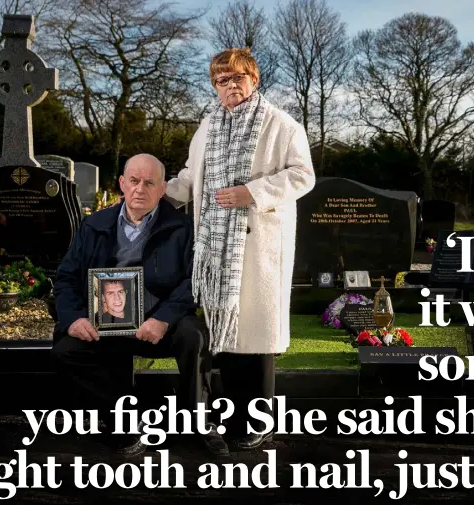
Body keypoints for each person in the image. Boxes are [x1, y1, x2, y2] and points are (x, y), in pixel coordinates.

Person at [165, 48, 316, 451]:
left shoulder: (282, 125)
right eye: (221, 80)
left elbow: (303, 176)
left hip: (260, 246)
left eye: (236, 78)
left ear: (254, 79)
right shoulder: (207, 127)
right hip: (216, 252)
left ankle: (260, 422)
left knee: (258, 340)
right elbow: (188, 177)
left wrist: (252, 192)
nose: (229, 87)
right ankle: (233, 417)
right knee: (226, 340)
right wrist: (154, 196)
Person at [51, 153, 229, 457]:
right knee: (66, 350)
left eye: (150, 183)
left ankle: (200, 420)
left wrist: (162, 318)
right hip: (106, 319)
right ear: (122, 183)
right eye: (133, 181)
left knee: (193, 336)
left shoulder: (183, 228)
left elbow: (196, 281)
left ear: (163, 189)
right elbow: (66, 277)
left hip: (160, 319)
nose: (140, 189)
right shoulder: (94, 225)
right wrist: (74, 318)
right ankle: (127, 416)